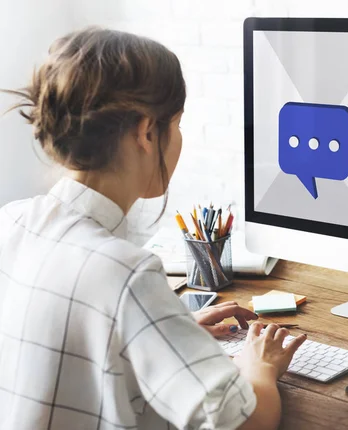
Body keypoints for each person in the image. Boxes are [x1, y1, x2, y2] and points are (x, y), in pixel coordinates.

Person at [0, 27, 306, 430]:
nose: (178, 139)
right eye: (176, 124)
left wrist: (165, 330)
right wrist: (259, 366)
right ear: (146, 132)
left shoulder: (11, 221)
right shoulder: (126, 273)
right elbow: (245, 422)